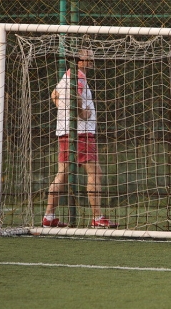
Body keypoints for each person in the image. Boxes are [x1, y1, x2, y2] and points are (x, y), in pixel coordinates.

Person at [42, 49, 118, 229]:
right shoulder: (79, 77)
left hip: (66, 131)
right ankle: (98, 218)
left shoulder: (68, 75)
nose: (92, 59)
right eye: (88, 56)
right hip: (80, 133)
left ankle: (48, 217)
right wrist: (82, 114)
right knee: (95, 173)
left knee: (62, 175)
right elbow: (74, 98)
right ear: (79, 60)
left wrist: (66, 111)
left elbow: (54, 95)